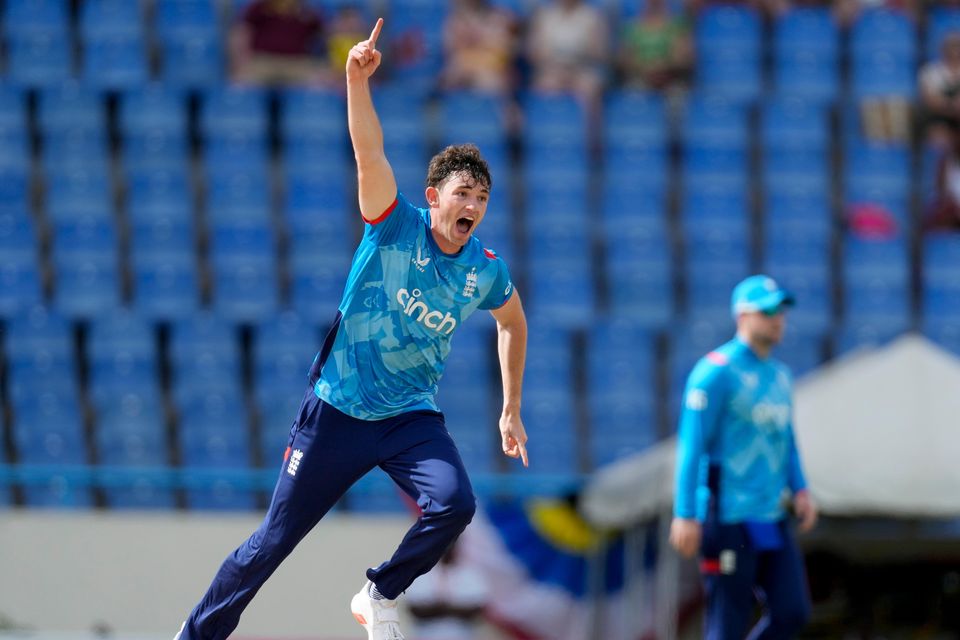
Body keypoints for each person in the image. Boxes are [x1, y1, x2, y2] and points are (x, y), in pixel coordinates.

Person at [174, 18, 530, 640]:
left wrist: (511, 407)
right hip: (337, 410)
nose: (473, 206)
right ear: (434, 196)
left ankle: (378, 592)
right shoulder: (393, 225)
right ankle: (196, 634)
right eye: (464, 193)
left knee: (455, 505)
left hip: (408, 418)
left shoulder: (484, 270)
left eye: (483, 199)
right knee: (270, 545)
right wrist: (354, 80)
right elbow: (369, 151)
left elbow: (513, 322)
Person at [669, 275, 818, 640]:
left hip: (770, 512)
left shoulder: (780, 376)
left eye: (781, 310)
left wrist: (801, 489)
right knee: (728, 622)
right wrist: (685, 513)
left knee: (793, 612)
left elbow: (786, 439)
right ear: (743, 316)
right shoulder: (715, 372)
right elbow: (691, 445)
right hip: (728, 514)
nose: (777, 318)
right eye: (767, 311)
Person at [229, 0, 329, 87]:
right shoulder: (259, 7)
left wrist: (322, 65)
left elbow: (326, 35)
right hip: (263, 61)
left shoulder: (307, 10)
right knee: (240, 86)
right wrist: (240, 62)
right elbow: (242, 33)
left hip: (297, 63)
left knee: (317, 87)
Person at [440, 0, 520, 95]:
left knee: (497, 80)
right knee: (448, 78)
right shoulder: (455, 20)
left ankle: (510, 108)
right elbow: (451, 51)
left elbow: (507, 50)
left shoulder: (502, 17)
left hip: (492, 67)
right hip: (465, 67)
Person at [618, 0, 693, 93]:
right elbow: (626, 60)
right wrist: (648, 68)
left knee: (677, 94)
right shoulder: (632, 28)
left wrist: (661, 67)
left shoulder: (678, 26)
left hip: (670, 79)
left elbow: (683, 58)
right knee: (633, 94)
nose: (654, 3)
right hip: (641, 78)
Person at [919, 32, 960, 151]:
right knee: (939, 139)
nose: (955, 51)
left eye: (957, 46)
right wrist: (952, 106)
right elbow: (930, 100)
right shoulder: (930, 71)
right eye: (952, 46)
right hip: (939, 118)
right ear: (943, 49)